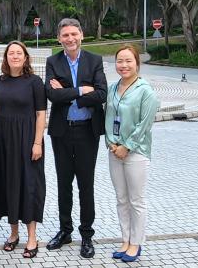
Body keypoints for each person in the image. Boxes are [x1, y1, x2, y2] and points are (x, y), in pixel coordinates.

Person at [45, 18, 107, 259]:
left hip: (86, 131)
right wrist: (82, 90)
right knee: (63, 184)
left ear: (82, 34)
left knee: (85, 185)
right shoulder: (53, 61)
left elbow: (101, 93)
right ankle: (65, 230)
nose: (70, 39)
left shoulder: (94, 60)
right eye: (65, 35)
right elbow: (52, 95)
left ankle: (87, 235)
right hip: (62, 131)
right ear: (59, 38)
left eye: (74, 34)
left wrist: (67, 93)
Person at [0, 41, 46, 259]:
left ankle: (32, 237)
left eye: (18, 53)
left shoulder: (35, 82)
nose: (15, 56)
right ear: (6, 57)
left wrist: (37, 142)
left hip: (27, 139)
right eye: (11, 53)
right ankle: (14, 234)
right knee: (8, 183)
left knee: (29, 185)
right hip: (3, 139)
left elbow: (41, 114)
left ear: (25, 57)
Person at [106, 45, 158, 263]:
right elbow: (108, 117)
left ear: (137, 63)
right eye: (120, 61)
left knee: (136, 200)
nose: (124, 65)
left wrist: (126, 146)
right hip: (114, 150)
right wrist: (111, 142)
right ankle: (125, 240)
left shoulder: (146, 91)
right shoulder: (113, 87)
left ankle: (136, 243)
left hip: (136, 152)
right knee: (121, 199)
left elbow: (144, 124)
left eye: (128, 61)